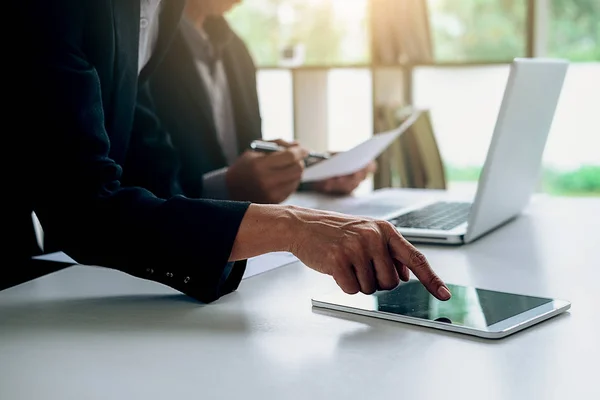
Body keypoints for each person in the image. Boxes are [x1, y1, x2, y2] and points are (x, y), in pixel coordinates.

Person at [10, 0, 451, 304]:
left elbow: (151, 169)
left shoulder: (158, 13)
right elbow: (83, 208)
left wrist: (308, 181)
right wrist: (291, 226)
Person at [133, 0, 376, 204]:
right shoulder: (143, 47)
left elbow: (247, 160)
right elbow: (145, 185)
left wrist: (310, 174)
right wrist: (227, 188)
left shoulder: (235, 50)